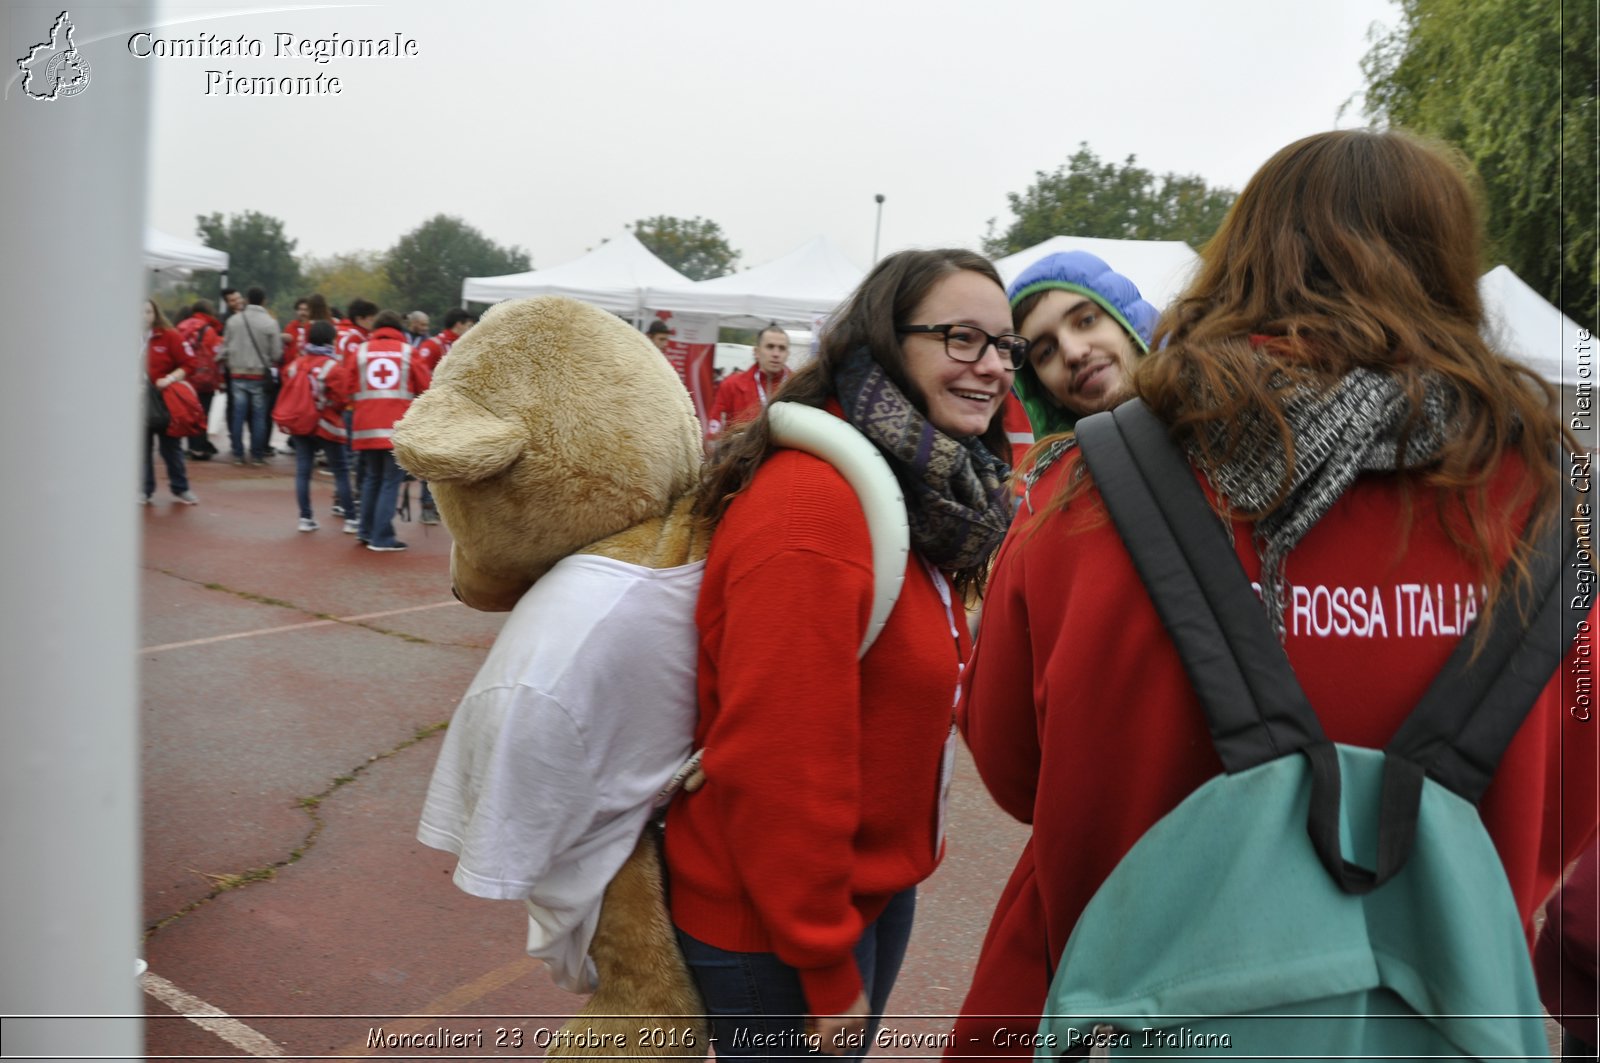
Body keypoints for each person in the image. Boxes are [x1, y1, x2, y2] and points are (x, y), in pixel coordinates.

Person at [948, 129, 1599, 1057]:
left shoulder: (1083, 494)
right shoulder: (1556, 510)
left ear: (1241, 261)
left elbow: (1013, 770)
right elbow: (1565, 817)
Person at [665, 248, 1024, 1058]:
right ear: (887, 343)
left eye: (1005, 346)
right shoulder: (815, 510)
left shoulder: (905, 484)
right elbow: (779, 760)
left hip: (859, 893)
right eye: (963, 339)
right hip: (781, 929)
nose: (994, 366)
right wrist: (825, 963)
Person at [1003, 250, 1159, 440]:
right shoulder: (1057, 470)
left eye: (1086, 321)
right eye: (1046, 352)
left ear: (1128, 327)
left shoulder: (1205, 411)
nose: (1073, 353)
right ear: (1047, 393)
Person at [329, 309, 431, 552]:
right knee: (390, 481)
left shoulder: (360, 351)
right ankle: (382, 537)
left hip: (364, 427)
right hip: (397, 427)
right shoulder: (409, 352)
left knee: (371, 480)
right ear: (399, 329)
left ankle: (365, 531)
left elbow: (345, 388)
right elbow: (426, 388)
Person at [283, 320, 356, 533]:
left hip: (300, 423)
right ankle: (351, 519)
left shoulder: (295, 364)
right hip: (327, 423)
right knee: (341, 470)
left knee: (303, 471)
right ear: (331, 340)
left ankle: (305, 518)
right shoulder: (333, 366)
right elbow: (342, 398)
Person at [412, 308, 477, 525]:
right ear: (459, 324)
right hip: (437, 413)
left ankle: (452, 508)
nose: (471, 329)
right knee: (433, 460)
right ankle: (428, 506)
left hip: (460, 413)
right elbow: (419, 371)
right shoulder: (434, 344)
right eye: (468, 325)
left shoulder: (467, 345)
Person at [142, 299, 198, 505]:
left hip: (163, 399)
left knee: (170, 447)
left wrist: (171, 378)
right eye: (139, 312)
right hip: (138, 401)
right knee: (141, 448)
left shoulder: (169, 336)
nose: (143, 316)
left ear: (155, 313)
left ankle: (181, 488)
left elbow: (189, 363)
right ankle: (143, 489)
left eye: (148, 311)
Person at [220, 286, 283, 465]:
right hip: (259, 375)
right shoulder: (271, 323)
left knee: (238, 414)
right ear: (264, 301)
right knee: (259, 416)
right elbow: (276, 354)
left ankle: (238, 453)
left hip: (237, 374)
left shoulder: (233, 321)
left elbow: (225, 347)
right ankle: (257, 455)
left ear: (246, 299)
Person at [706, 323, 793, 438]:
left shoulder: (799, 386)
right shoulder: (731, 385)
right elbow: (713, 431)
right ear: (756, 352)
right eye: (770, 347)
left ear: (787, 354)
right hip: (741, 453)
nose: (776, 354)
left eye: (781, 348)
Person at [175, 298, 224, 461]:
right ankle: (199, 448)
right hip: (204, 379)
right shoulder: (209, 330)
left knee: (188, 412)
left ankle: (191, 446)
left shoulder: (181, 326)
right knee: (202, 414)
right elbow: (216, 353)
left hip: (185, 377)